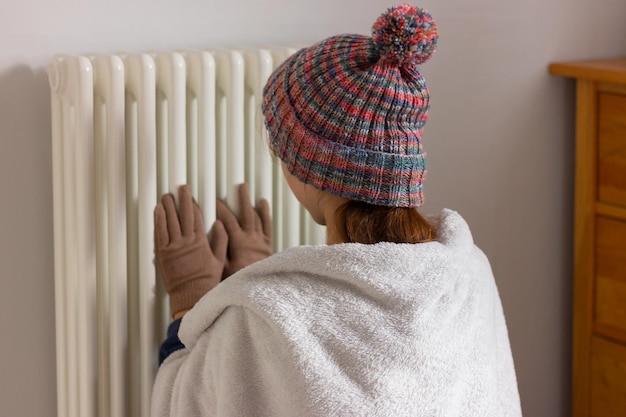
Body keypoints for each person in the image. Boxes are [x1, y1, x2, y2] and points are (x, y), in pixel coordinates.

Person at [151, 4, 522, 416]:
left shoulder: (268, 320)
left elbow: (184, 397)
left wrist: (191, 297)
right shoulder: (468, 275)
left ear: (305, 166)